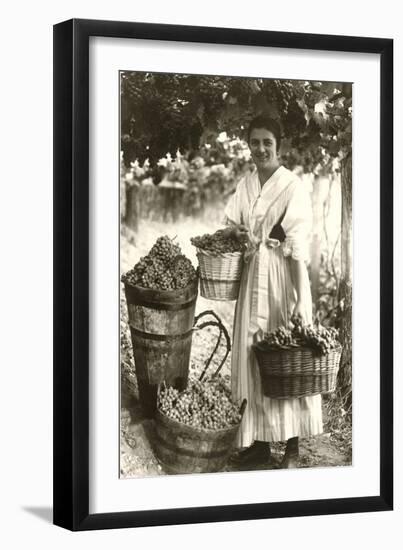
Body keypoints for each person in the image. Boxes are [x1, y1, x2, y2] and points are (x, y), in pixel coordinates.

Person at [223, 115, 322, 468]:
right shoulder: (246, 185)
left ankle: (292, 447)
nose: (261, 148)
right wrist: (242, 237)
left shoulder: (292, 186)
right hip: (253, 276)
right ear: (247, 146)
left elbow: (297, 247)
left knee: (286, 362)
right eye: (254, 142)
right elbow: (231, 225)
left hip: (280, 278)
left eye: (267, 142)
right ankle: (260, 444)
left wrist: (301, 297)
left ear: (279, 146)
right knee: (253, 358)